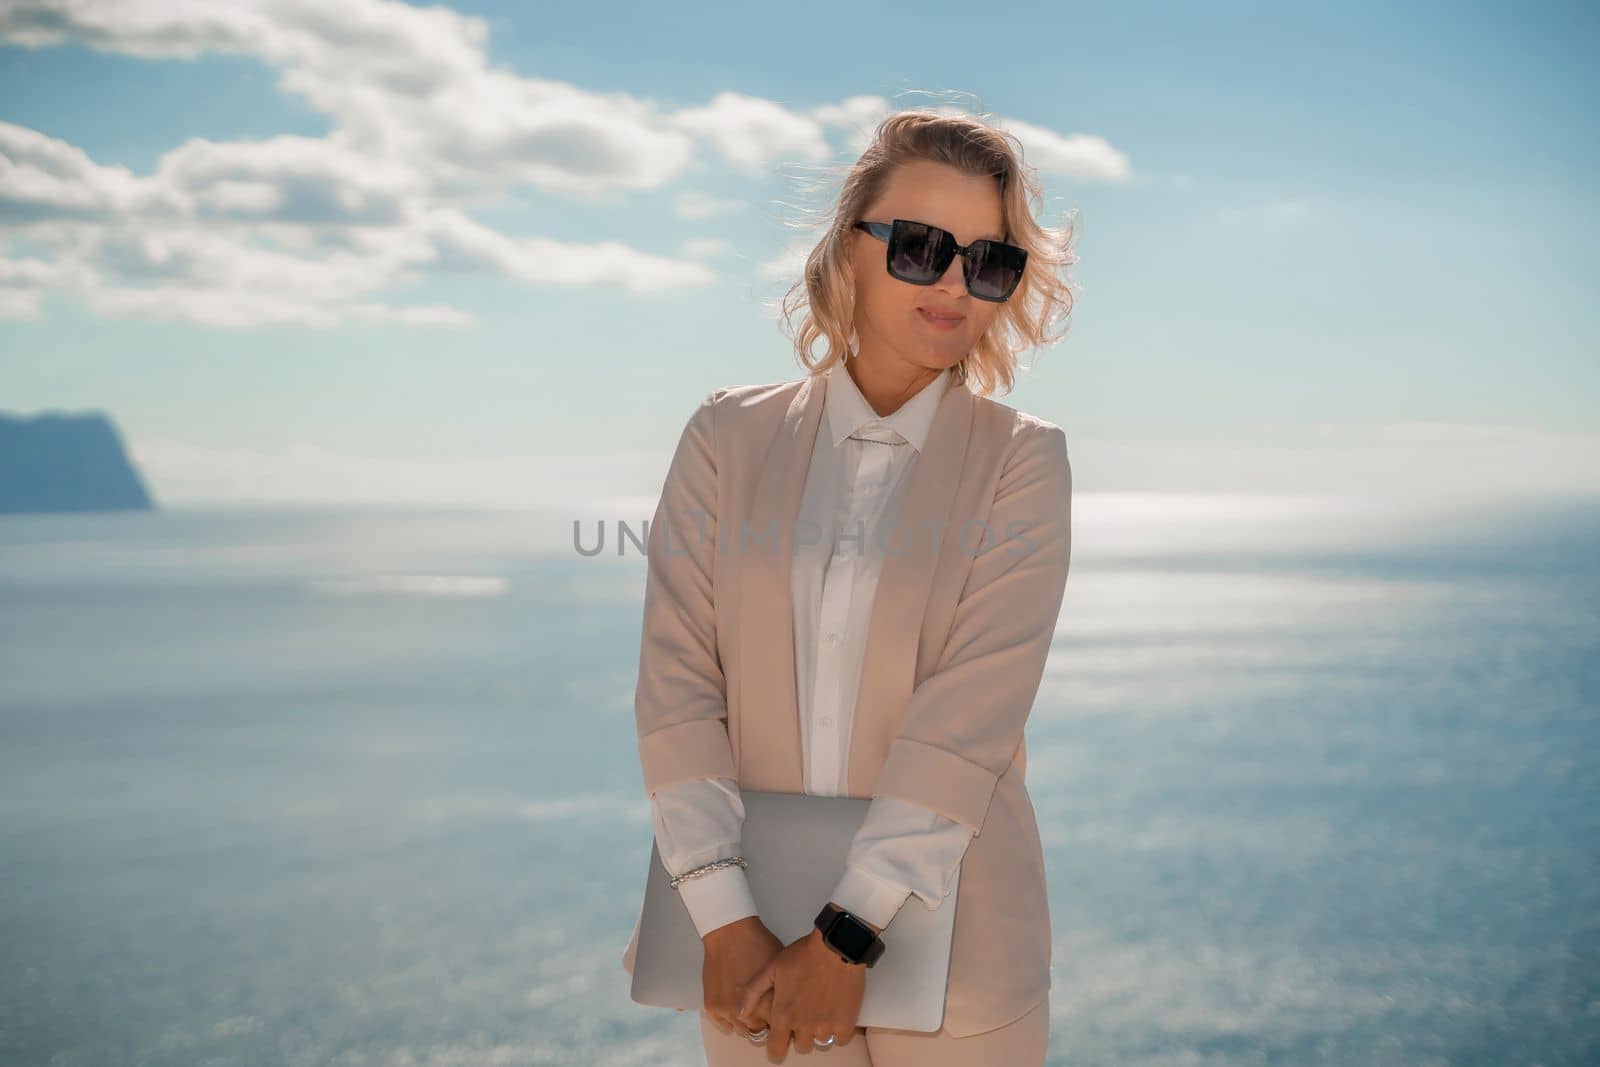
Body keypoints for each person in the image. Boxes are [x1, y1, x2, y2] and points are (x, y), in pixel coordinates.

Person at [623, 107, 1079, 1064]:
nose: (956, 281)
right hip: (745, 947)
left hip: (959, 957)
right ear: (849, 251)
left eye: (990, 261)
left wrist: (846, 936)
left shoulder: (1023, 463)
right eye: (921, 246)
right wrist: (717, 909)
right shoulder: (723, 436)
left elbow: (968, 722)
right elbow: (677, 684)